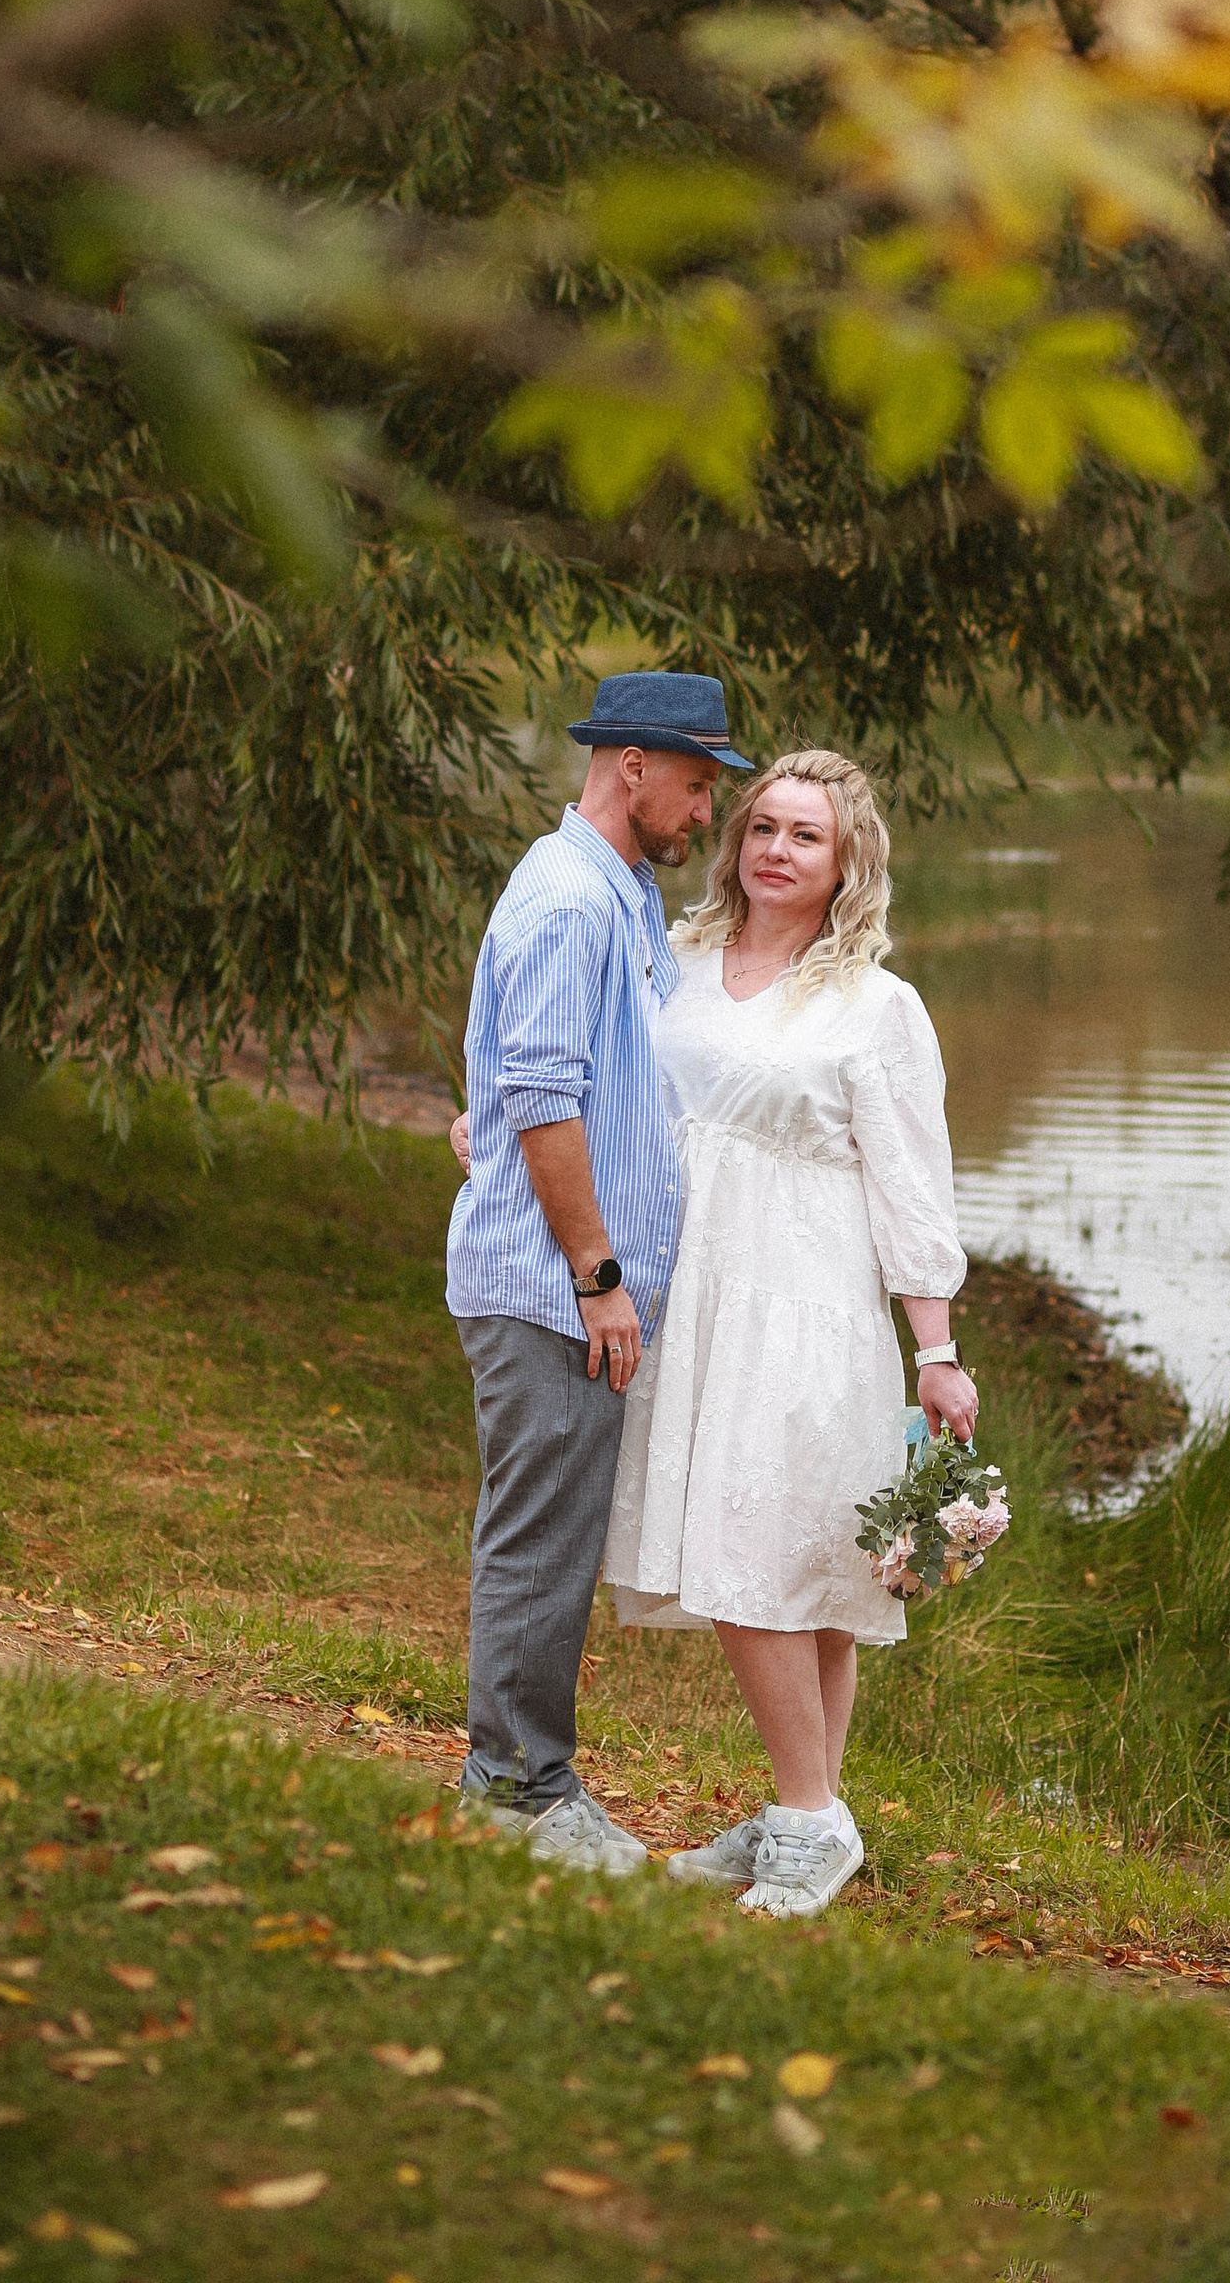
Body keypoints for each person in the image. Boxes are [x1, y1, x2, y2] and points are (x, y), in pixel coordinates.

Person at [600, 746, 974, 1918]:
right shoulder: (680, 959)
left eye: (803, 834)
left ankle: (812, 1823)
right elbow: (607, 1081)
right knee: (791, 1563)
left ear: (845, 859)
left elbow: (912, 1183)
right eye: (760, 825)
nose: (773, 848)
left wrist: (937, 1350)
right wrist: (496, 1114)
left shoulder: (875, 1005)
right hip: (689, 1291)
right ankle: (798, 1815)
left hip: (802, 1301)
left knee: (766, 1549)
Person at [444, 667, 752, 1873]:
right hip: (544, 1284)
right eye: (695, 786)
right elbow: (542, 1095)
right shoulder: (569, 900)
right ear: (633, 768)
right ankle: (514, 1790)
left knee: (557, 1532)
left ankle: (531, 1783)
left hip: (557, 1273)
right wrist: (595, 1272)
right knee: (537, 1536)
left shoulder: (615, 892)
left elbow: (544, 1080)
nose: (704, 814)